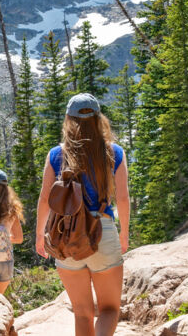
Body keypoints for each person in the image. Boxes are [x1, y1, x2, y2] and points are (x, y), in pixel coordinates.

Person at [35, 93, 130, 336]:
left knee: (82, 312)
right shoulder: (114, 152)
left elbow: (45, 199)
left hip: (65, 236)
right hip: (103, 231)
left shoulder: (56, 154)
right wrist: (124, 234)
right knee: (109, 309)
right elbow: (121, 198)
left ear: (68, 119)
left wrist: (40, 236)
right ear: (99, 119)